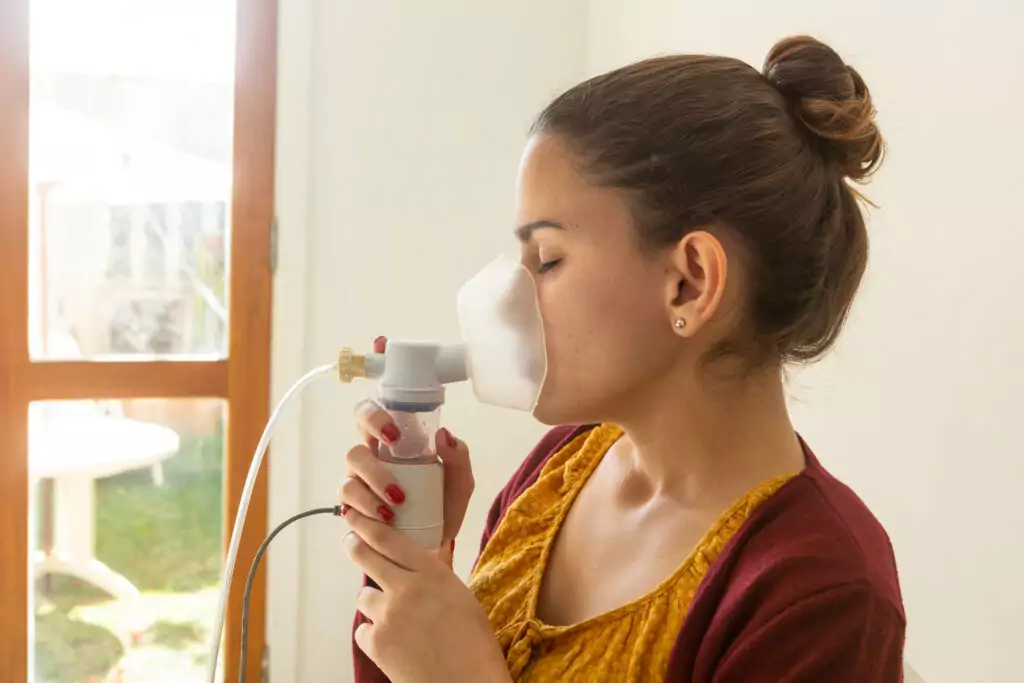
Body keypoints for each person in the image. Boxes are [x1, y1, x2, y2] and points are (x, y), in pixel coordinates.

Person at [339, 34, 905, 683]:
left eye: (546, 259)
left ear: (689, 281)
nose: (505, 300)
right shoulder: (556, 472)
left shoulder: (821, 593)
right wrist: (412, 562)